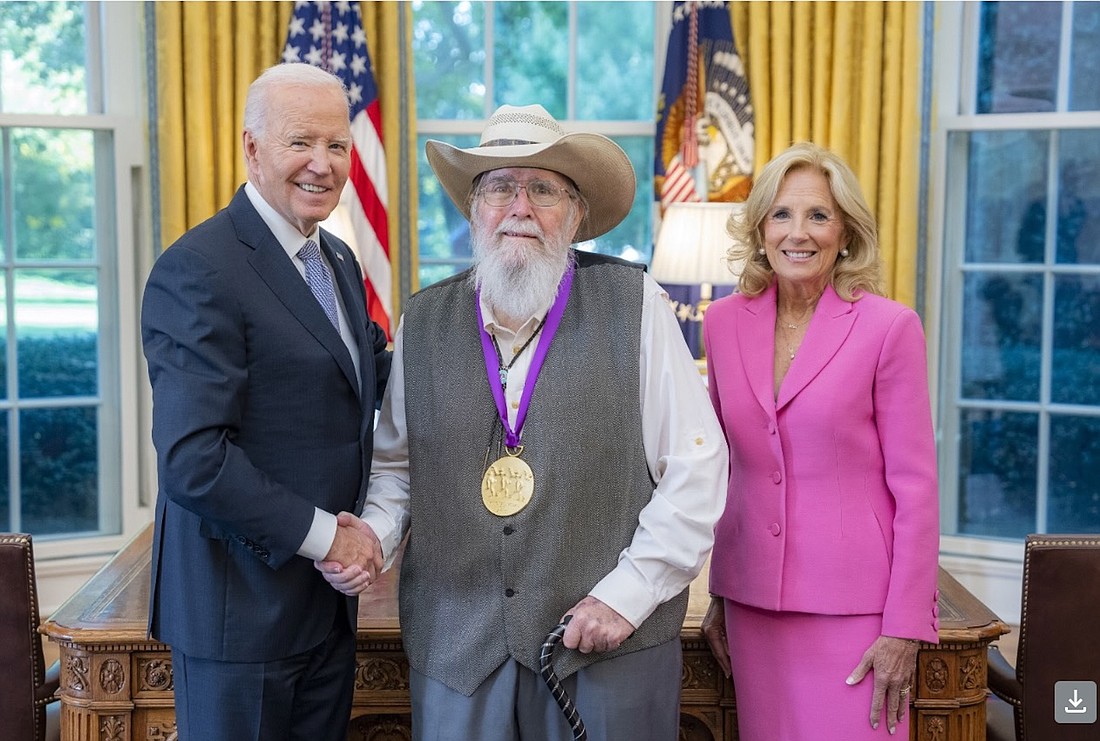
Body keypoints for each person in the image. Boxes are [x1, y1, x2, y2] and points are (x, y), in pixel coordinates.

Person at [318, 103, 728, 740]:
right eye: (500, 187)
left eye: (544, 189)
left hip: (605, 645)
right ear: (473, 208)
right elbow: (398, 471)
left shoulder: (636, 304)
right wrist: (372, 536)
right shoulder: (423, 321)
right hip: (458, 650)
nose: (521, 207)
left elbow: (697, 465)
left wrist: (630, 592)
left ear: (577, 213)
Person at [140, 63, 390, 741]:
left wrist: (488, 363)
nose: (323, 164)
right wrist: (327, 535)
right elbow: (194, 460)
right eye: (300, 142)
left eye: (337, 145)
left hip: (325, 610)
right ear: (252, 147)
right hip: (238, 618)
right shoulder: (198, 270)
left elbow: (368, 372)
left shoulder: (335, 257)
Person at [700, 142, 940, 739]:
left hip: (859, 613)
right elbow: (721, 466)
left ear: (846, 232)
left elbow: (915, 487)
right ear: (759, 228)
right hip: (753, 604)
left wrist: (905, 624)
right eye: (781, 214)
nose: (797, 233)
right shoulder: (723, 322)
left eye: (818, 215)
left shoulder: (890, 328)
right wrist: (721, 592)